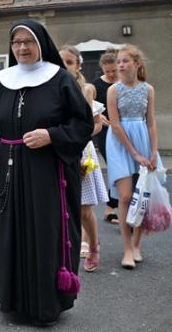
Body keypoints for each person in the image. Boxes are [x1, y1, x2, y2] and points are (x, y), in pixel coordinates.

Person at [0, 19, 92, 326]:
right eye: (16, 42)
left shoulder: (60, 79)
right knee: (10, 231)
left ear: (41, 44)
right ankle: (13, 300)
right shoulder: (3, 80)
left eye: (28, 41)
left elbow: (82, 123)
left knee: (44, 232)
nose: (22, 47)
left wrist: (51, 135)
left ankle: (45, 305)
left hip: (47, 171)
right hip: (9, 171)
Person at [106, 45, 159, 270]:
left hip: (143, 139)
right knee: (126, 196)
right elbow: (115, 124)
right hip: (120, 143)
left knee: (143, 194)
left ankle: (137, 245)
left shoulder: (148, 89)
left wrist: (153, 151)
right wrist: (134, 153)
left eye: (125, 61)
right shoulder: (113, 90)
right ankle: (127, 248)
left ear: (137, 64)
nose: (120, 65)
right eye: (118, 61)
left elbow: (151, 123)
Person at [60, 45, 108, 273]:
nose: (64, 66)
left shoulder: (86, 89)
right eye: (60, 61)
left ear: (78, 65)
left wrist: (80, 135)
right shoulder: (50, 89)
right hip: (59, 150)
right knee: (62, 206)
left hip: (81, 150)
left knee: (84, 208)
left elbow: (96, 124)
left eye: (69, 62)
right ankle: (69, 245)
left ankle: (94, 245)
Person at [92, 49, 120, 224]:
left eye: (113, 71)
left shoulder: (124, 83)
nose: (110, 74)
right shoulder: (96, 84)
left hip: (124, 130)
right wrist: (97, 115)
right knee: (115, 167)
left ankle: (119, 206)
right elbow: (88, 103)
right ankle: (111, 207)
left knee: (126, 170)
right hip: (105, 133)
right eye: (107, 71)